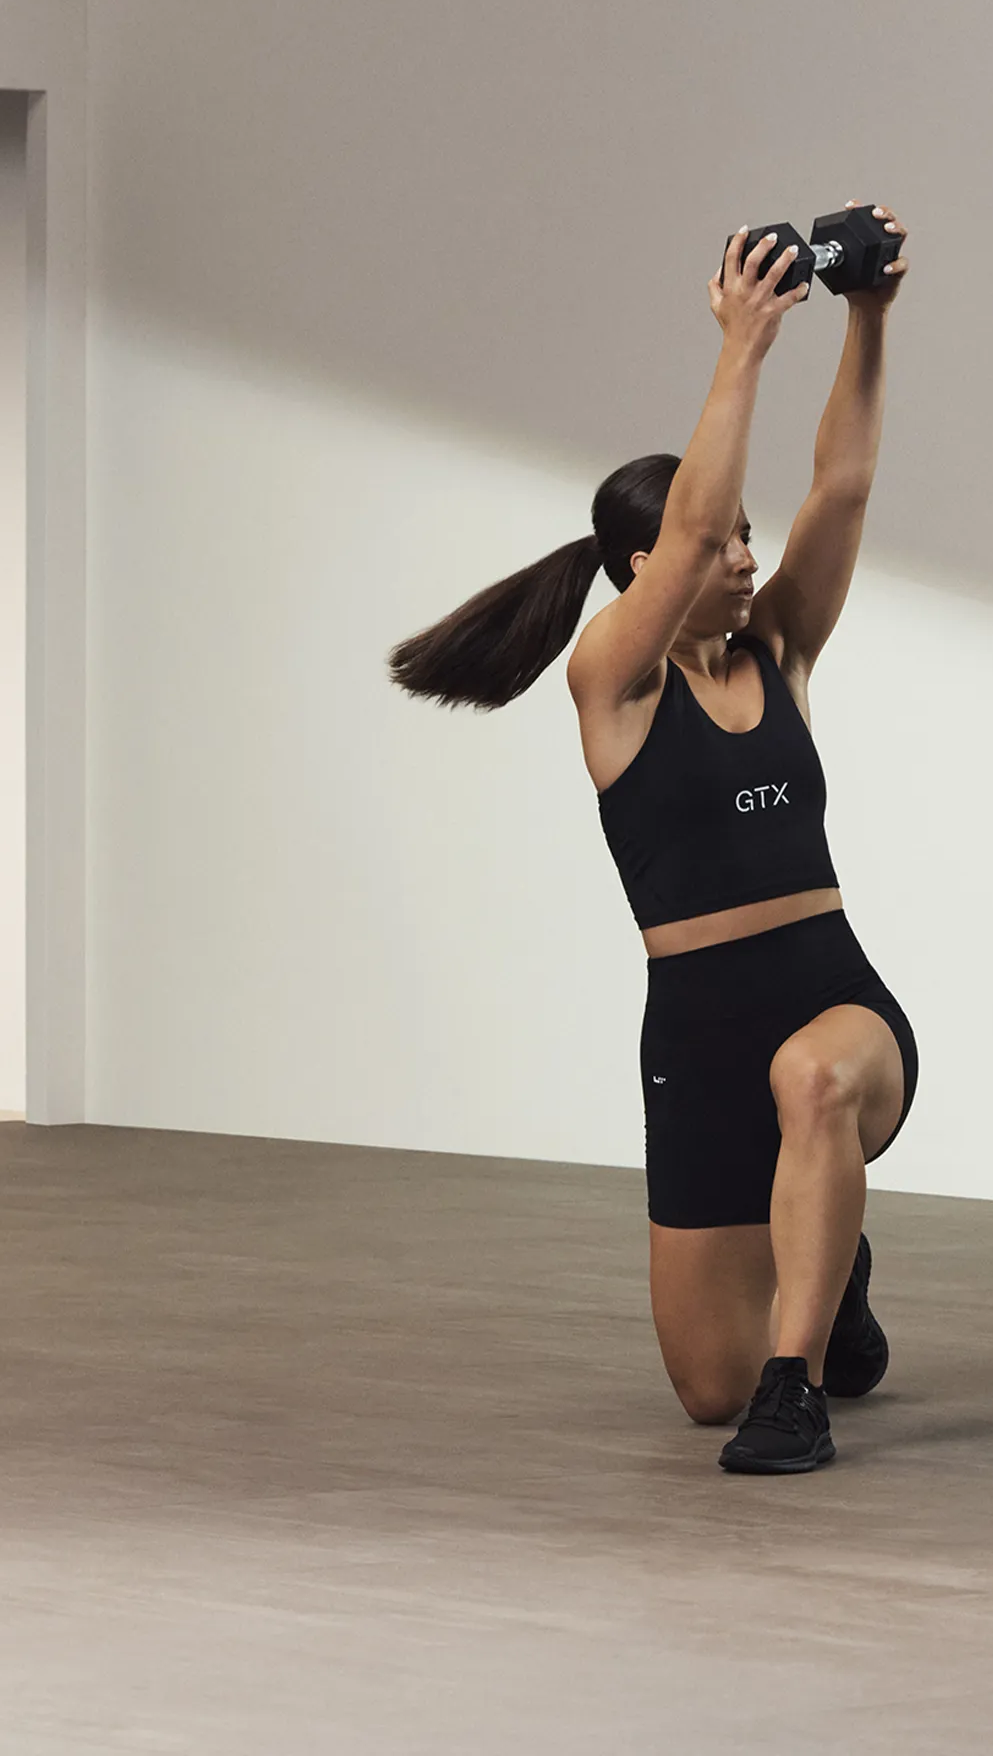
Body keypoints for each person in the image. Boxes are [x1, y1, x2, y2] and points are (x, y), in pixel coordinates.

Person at [389, 204, 917, 1474]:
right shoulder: (612, 687)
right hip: (695, 1030)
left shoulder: (781, 652)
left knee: (818, 1085)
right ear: (644, 570)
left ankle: (801, 1391)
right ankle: (829, 1282)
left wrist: (865, 319)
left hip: (834, 1000)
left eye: (745, 538)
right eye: (724, 542)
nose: (744, 557)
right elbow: (689, 528)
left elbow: (839, 486)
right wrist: (742, 343)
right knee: (700, 1390)